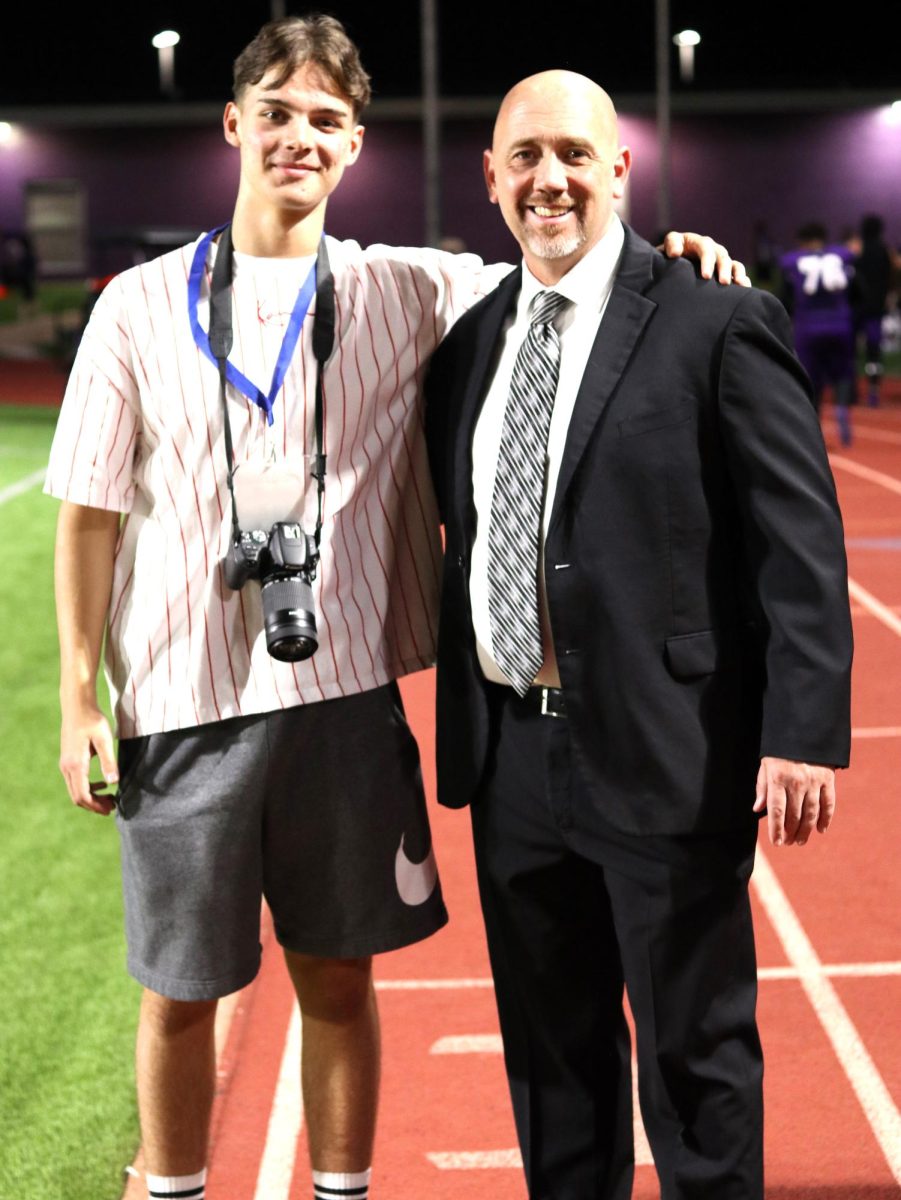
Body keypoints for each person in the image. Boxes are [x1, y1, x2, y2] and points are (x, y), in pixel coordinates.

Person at [45, 16, 741, 1200]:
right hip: (179, 698)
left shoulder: (409, 288)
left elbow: (567, 273)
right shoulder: (137, 305)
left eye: (324, 120)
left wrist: (676, 254)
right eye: (275, 112)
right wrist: (78, 698)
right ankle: (168, 1191)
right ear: (234, 124)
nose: (297, 138)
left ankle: (342, 1190)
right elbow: (91, 515)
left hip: (344, 699)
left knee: (339, 978)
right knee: (177, 991)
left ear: (356, 143)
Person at [424, 71, 852, 1200]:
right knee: (553, 1069)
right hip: (512, 753)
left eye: (573, 153)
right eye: (523, 157)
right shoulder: (468, 344)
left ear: (620, 169)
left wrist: (798, 732)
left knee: (693, 1060)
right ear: (491, 178)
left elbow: (797, 546)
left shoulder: (714, 316)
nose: (547, 178)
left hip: (667, 748)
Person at [780, 221, 857, 445]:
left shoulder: (793, 261)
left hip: (808, 326)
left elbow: (785, 298)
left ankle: (814, 428)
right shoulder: (842, 256)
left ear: (801, 241)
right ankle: (842, 408)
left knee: (810, 378)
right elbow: (857, 290)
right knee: (843, 373)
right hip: (840, 324)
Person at [853, 213, 898, 406]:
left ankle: (849, 390)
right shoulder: (885, 252)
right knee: (874, 351)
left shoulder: (857, 251)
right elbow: (893, 277)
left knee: (852, 350)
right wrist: (890, 296)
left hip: (856, 308)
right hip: (876, 309)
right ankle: (873, 391)